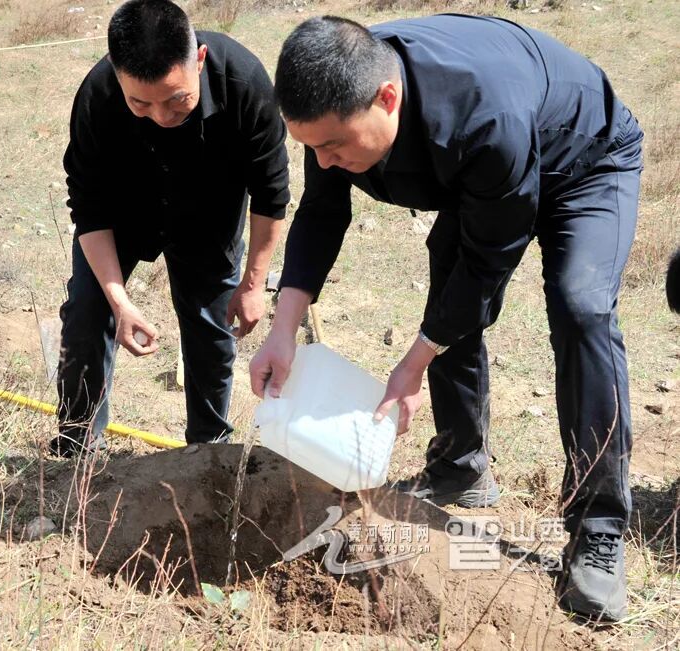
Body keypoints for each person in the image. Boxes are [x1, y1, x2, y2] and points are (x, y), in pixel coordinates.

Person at [250, 15, 643, 622]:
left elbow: (488, 266)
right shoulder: (339, 91)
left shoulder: (486, 116)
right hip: (482, 180)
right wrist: (282, 330)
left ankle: (599, 529)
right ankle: (460, 468)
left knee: (580, 307)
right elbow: (321, 215)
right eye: (311, 147)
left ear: (388, 99)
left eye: (334, 145)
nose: (323, 162)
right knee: (447, 288)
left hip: (585, 161)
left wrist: (411, 365)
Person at [55, 0, 289, 457]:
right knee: (88, 309)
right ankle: (76, 446)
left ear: (198, 60)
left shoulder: (244, 83)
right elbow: (89, 205)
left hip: (209, 211)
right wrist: (119, 301)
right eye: (140, 102)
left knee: (212, 322)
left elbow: (271, 193)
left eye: (177, 98)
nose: (162, 115)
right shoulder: (99, 95)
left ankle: (208, 450)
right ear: (118, 76)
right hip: (125, 210)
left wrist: (255, 282)